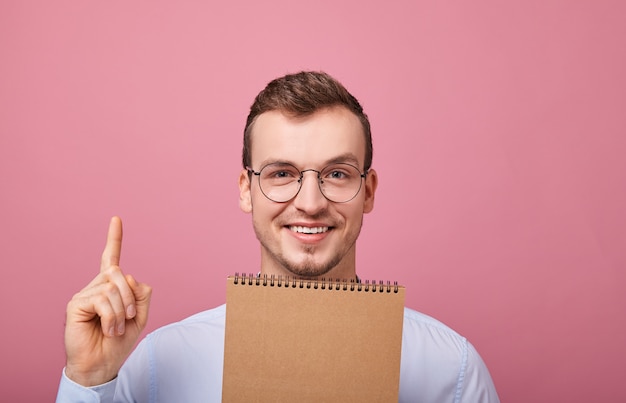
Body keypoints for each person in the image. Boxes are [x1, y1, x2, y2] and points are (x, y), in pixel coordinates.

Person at [56, 71, 499, 402]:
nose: (309, 202)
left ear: (368, 191)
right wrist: (87, 380)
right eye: (282, 173)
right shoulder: (157, 364)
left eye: (338, 173)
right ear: (247, 190)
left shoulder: (451, 370)